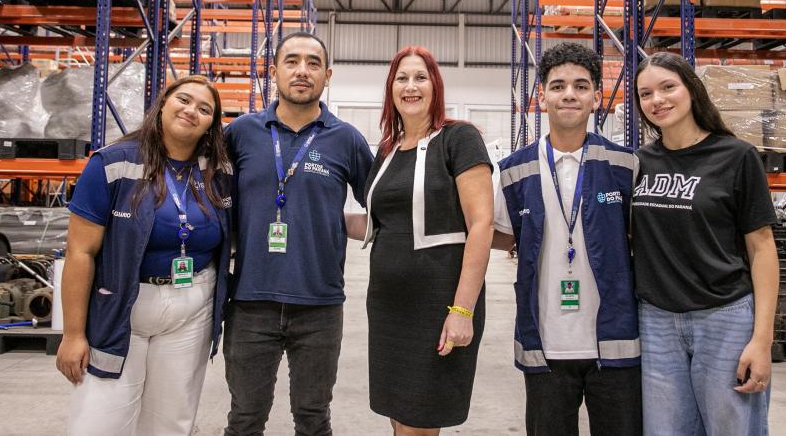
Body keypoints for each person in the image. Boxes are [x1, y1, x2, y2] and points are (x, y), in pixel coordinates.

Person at [56, 75, 233, 435]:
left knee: (171, 421)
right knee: (100, 421)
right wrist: (73, 334)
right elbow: (80, 252)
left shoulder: (217, 173)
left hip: (191, 309)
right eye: (183, 100)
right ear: (163, 103)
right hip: (122, 309)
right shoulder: (112, 163)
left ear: (212, 125)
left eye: (204, 109)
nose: (191, 111)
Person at [223, 32, 374, 435]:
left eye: (312, 63)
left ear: (327, 75)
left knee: (313, 419)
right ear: (274, 72)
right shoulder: (241, 134)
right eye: (291, 61)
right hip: (251, 301)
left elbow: (383, 203)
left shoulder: (346, 139)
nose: (301, 71)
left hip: (320, 305)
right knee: (244, 419)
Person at [491, 42, 641, 435]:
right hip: (546, 345)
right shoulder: (514, 170)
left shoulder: (625, 165)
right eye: (557, 86)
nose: (569, 94)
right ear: (541, 97)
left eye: (580, 85)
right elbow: (500, 238)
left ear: (596, 97)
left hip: (614, 343)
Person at [632, 52, 779, 435]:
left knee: (732, 427)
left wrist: (762, 340)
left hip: (725, 317)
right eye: (645, 94)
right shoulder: (638, 163)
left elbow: (762, 249)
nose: (657, 100)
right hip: (657, 320)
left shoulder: (736, 157)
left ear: (692, 91)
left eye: (668, 87)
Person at [350, 45, 493, 435]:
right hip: (388, 306)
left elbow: (481, 224)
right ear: (390, 89)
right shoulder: (387, 151)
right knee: (399, 416)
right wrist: (318, 214)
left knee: (421, 419)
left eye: (420, 77)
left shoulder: (458, 139)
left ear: (435, 86)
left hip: (438, 304)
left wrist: (462, 310)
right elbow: (380, 225)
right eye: (401, 78)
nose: (410, 86)